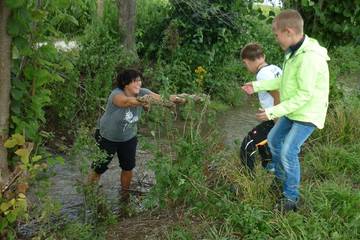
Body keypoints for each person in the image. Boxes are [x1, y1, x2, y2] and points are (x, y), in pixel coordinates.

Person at [242, 9, 330, 212]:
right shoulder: (293, 53)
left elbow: (304, 95)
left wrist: (273, 112)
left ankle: (291, 198)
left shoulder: (309, 58)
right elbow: (283, 81)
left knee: (289, 151)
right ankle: (280, 181)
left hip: (308, 112)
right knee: (273, 140)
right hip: (294, 110)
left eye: (276, 35)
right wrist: (255, 86)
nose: (276, 39)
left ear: (288, 32)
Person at [87, 69, 184, 202]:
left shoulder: (144, 92)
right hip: (107, 137)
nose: (138, 83)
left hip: (128, 137)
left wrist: (180, 99)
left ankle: (124, 195)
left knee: (128, 167)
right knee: (100, 167)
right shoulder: (116, 94)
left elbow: (162, 98)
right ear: (124, 83)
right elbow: (126, 102)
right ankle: (89, 195)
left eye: (139, 80)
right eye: (134, 81)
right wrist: (145, 101)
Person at [240, 43, 282, 173]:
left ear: (246, 61)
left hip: (277, 117)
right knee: (264, 142)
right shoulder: (274, 68)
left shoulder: (262, 74)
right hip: (284, 113)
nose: (246, 67)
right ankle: (270, 167)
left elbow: (276, 94)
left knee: (248, 144)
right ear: (263, 56)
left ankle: (248, 179)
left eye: (245, 64)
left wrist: (277, 121)